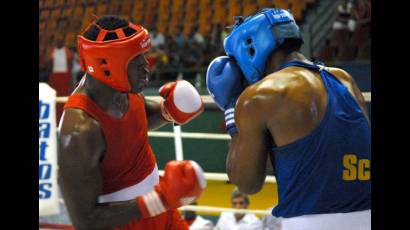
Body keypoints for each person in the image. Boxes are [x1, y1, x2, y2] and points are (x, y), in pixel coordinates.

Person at [206, 8, 370, 230]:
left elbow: (246, 183)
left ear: (250, 48)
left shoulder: (261, 95)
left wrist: (230, 108)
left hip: (310, 221)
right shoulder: (344, 79)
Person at [58, 15, 206, 230]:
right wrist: (159, 200)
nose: (146, 66)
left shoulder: (122, 88)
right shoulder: (80, 129)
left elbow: (132, 124)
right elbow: (85, 220)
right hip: (123, 223)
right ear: (108, 64)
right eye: (137, 60)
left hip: (161, 211)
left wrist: (168, 110)